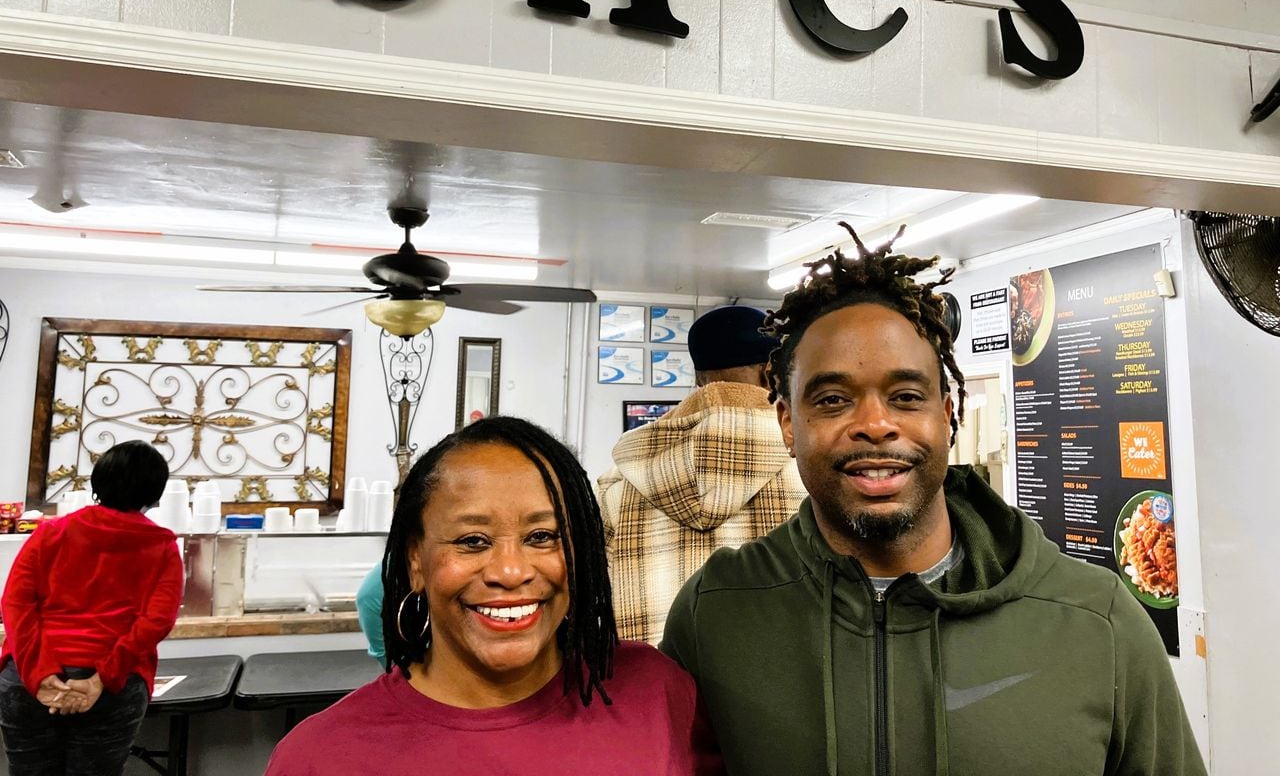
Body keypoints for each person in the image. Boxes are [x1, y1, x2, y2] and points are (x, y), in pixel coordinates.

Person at [661, 225, 1207, 776]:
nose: (875, 425)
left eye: (905, 397)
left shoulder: (1097, 620)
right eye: (831, 399)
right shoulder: (717, 613)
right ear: (787, 423)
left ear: (947, 415)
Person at [266, 416, 721, 776]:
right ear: (415, 562)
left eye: (542, 536)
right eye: (472, 541)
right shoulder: (319, 757)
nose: (510, 572)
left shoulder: (657, 691)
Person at [598, 305, 805, 644]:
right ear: (771, 374)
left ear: (698, 378)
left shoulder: (617, 486)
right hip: (778, 690)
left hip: (655, 691)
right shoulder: (811, 472)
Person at [0, 441, 183, 776]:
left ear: (98, 482)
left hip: (28, 682)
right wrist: (103, 677)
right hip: (110, 689)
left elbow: (15, 603)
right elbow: (157, 621)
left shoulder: (51, 532)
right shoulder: (162, 546)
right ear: (155, 491)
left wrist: (40, 675)